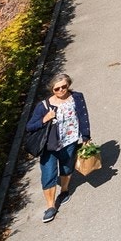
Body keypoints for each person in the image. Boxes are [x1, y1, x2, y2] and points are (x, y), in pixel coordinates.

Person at [33, 71, 91, 223]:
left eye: (64, 87)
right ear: (51, 89)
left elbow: (84, 116)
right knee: (48, 175)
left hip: (70, 141)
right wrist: (45, 119)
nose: (61, 91)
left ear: (68, 85)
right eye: (56, 89)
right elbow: (29, 126)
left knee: (66, 168)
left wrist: (86, 137)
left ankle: (64, 191)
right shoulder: (44, 106)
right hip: (49, 147)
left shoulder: (77, 97)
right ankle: (50, 206)